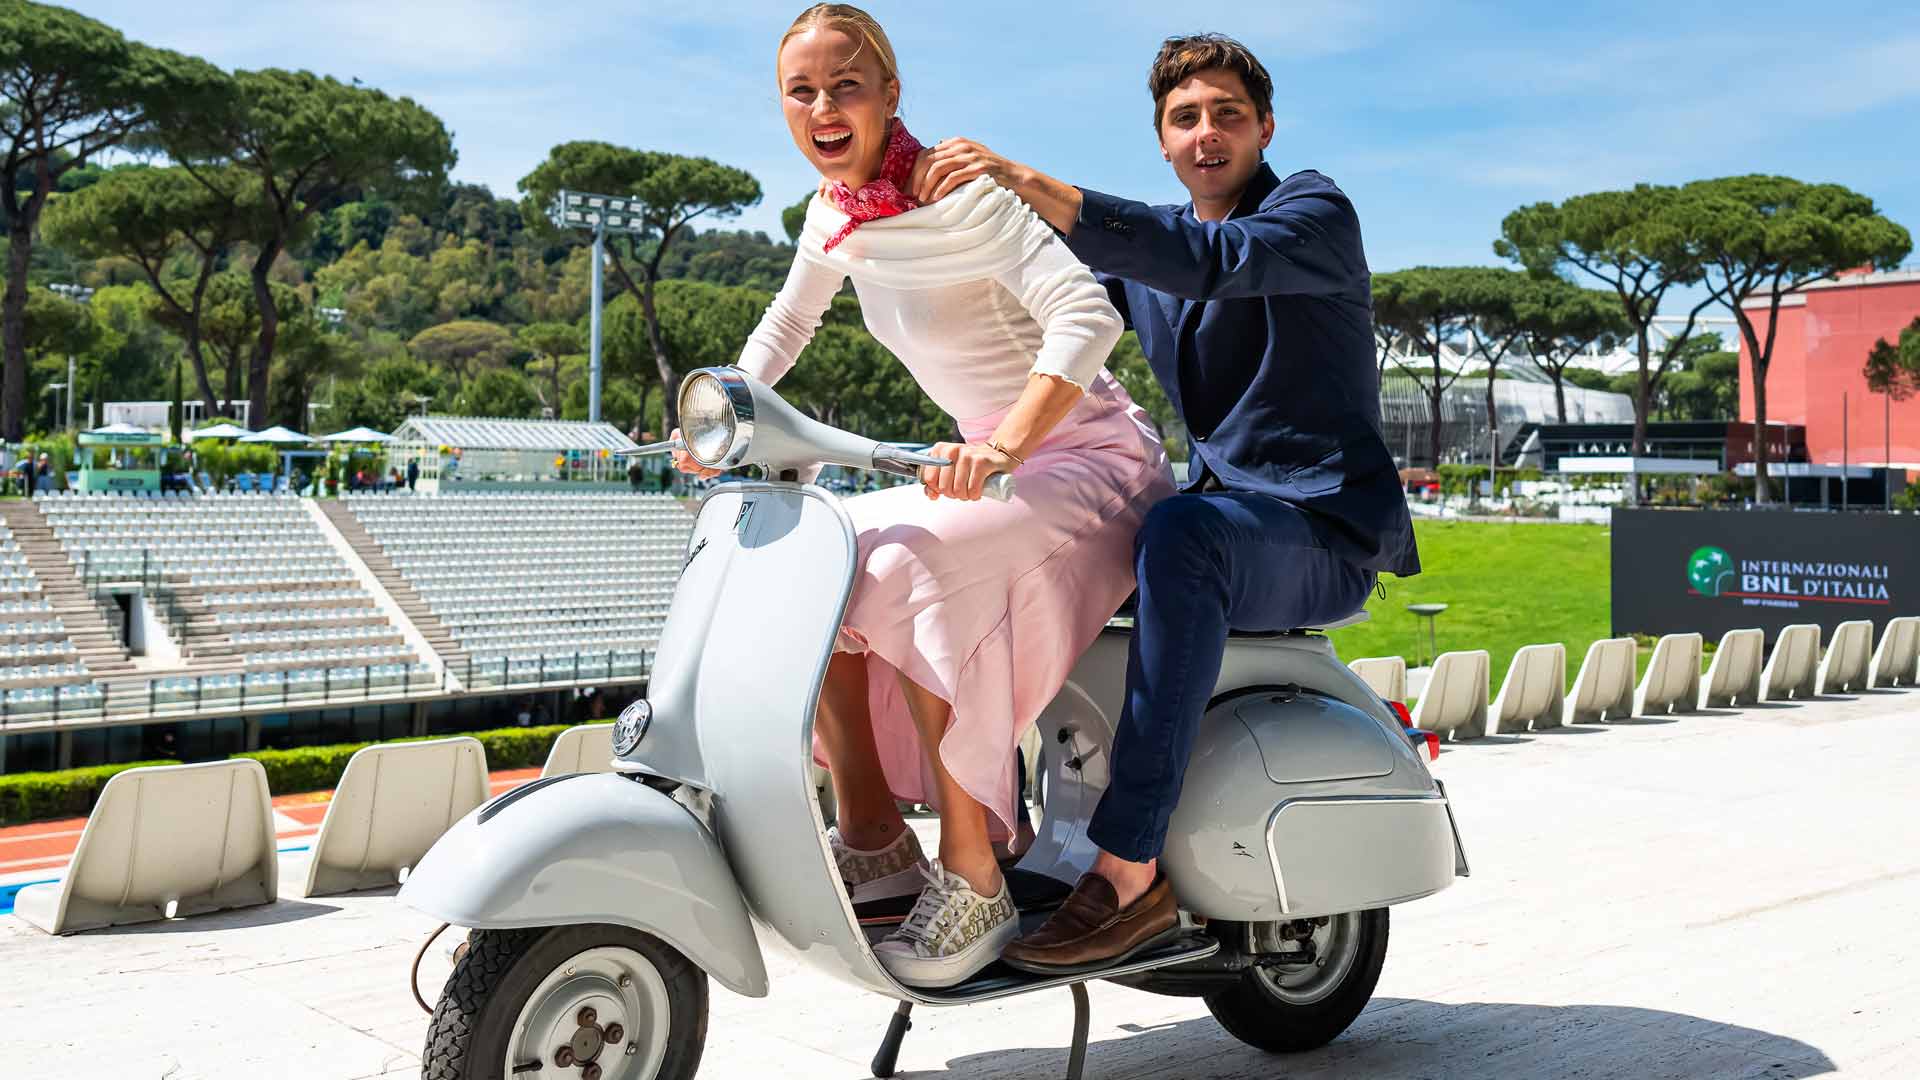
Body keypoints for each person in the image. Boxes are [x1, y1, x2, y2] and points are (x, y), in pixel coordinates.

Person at [669, 3, 1172, 988]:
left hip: (1091, 458)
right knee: (814, 557)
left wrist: (1005, 445)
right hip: (987, 460)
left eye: (845, 85)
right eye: (800, 90)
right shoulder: (832, 213)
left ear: (890, 94)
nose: (822, 106)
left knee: (902, 562)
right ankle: (872, 833)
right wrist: (716, 423)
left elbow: (1085, 316)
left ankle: (975, 871)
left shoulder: (962, 195)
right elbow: (788, 323)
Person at [915, 33, 1421, 972]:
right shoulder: (1147, 252)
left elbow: (1207, 259)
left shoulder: (1311, 213)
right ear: (1162, 141)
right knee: (1026, 544)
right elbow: (1043, 319)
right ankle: (1000, 841)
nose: (1207, 132)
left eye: (1228, 113)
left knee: (1178, 528)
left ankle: (1129, 868)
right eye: (1185, 118)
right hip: (1229, 524)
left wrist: (1026, 180)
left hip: (1322, 529)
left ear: (1265, 128)